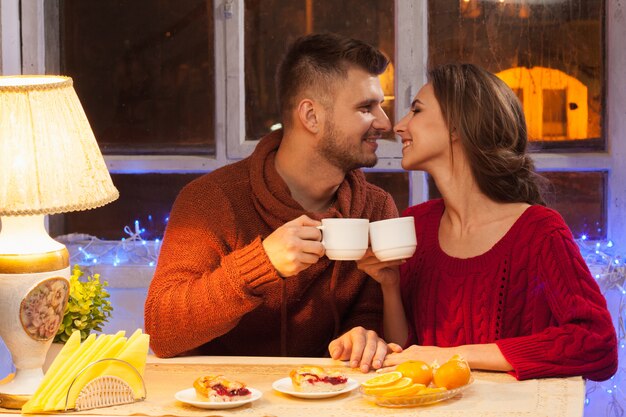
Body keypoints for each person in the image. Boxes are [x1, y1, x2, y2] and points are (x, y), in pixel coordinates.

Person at [329, 63, 618, 381]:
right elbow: (406, 352)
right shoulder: (416, 224)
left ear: (457, 127)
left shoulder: (539, 231)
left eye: (417, 111)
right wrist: (391, 285)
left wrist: (454, 355)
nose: (399, 126)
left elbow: (598, 344)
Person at [144, 32, 401, 362]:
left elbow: (369, 317)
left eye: (381, 105)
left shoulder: (376, 207)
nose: (385, 122)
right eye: (366, 107)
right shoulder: (209, 200)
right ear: (311, 116)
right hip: (224, 401)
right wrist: (260, 264)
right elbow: (162, 331)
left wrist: (363, 336)